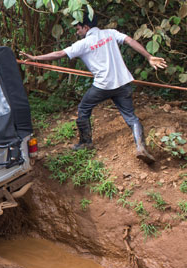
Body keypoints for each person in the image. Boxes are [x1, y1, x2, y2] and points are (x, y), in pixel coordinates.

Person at [20, 12, 167, 164]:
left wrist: (35, 58)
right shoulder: (110, 33)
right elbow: (130, 41)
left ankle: (86, 142)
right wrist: (149, 56)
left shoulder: (83, 44)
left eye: (78, 28)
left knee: (83, 109)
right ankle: (140, 147)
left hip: (103, 86)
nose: (77, 32)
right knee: (131, 117)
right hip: (123, 83)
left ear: (86, 27)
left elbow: (59, 54)